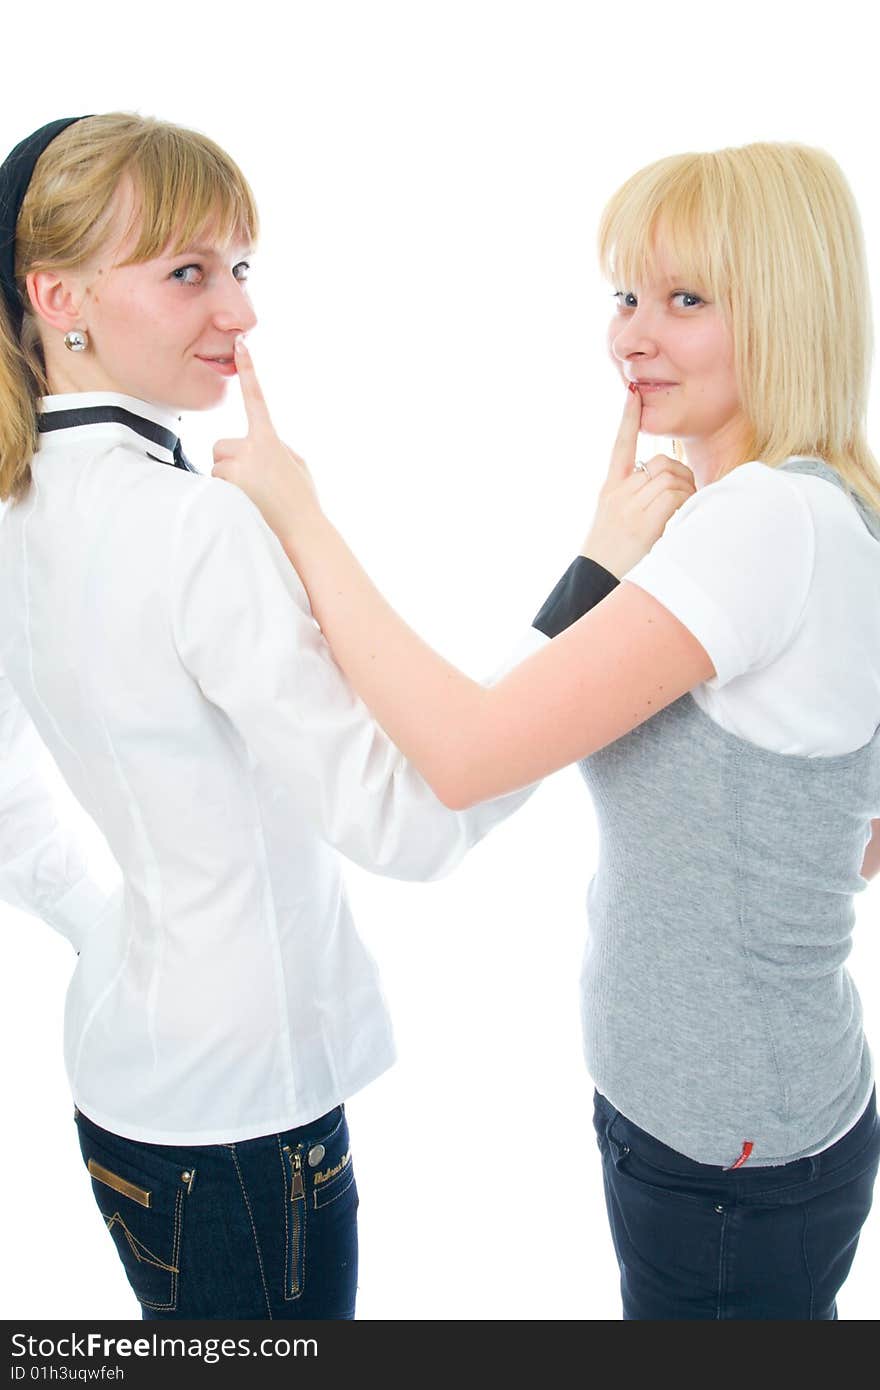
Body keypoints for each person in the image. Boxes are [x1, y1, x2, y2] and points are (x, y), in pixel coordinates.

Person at [0, 113, 691, 1320]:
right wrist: (593, 583)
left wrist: (113, 928)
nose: (242, 313)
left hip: (125, 1084)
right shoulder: (195, 528)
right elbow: (415, 819)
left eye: (241, 266)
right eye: (187, 272)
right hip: (240, 1126)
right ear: (58, 294)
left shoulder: (22, 502)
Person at [215, 141, 880, 1320]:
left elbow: (466, 756)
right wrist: (608, 559)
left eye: (685, 299)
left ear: (785, 307)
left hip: (722, 1150)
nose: (631, 335)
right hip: (748, 1122)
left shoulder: (763, 526)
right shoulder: (826, 508)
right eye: (625, 294)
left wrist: (295, 510)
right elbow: (850, 826)